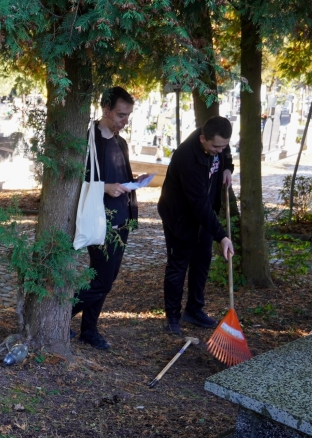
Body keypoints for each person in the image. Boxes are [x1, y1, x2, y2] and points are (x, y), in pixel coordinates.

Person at [71, 87, 152, 350]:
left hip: (122, 218)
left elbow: (119, 177)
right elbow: (74, 181)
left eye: (128, 115)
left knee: (106, 279)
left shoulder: (120, 142)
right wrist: (104, 187)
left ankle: (89, 329)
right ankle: (60, 316)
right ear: (106, 110)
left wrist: (134, 182)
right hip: (99, 220)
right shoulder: (89, 139)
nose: (124, 121)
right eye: (120, 115)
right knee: (102, 281)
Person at [157, 115, 236, 335]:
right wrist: (221, 236)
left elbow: (225, 152)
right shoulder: (187, 157)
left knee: (202, 262)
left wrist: (227, 167)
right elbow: (198, 204)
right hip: (180, 217)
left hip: (203, 216)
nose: (219, 150)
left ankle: (194, 309)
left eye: (224, 146)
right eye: (215, 146)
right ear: (203, 138)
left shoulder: (217, 144)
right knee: (178, 265)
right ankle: (173, 317)